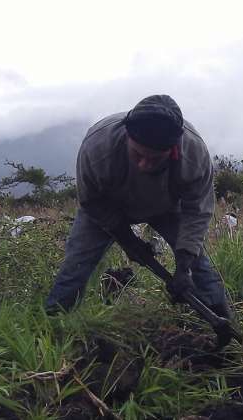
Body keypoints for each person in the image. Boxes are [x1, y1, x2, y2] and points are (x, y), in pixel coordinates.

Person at [44, 94, 231, 321]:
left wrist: (183, 267)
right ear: (126, 137)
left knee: (199, 265)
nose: (144, 165)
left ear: (172, 150)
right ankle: (53, 324)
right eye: (138, 154)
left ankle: (224, 323)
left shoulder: (193, 154)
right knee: (76, 266)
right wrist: (129, 242)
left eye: (155, 159)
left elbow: (197, 212)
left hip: (166, 207)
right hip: (108, 206)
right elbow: (91, 201)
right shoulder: (98, 146)